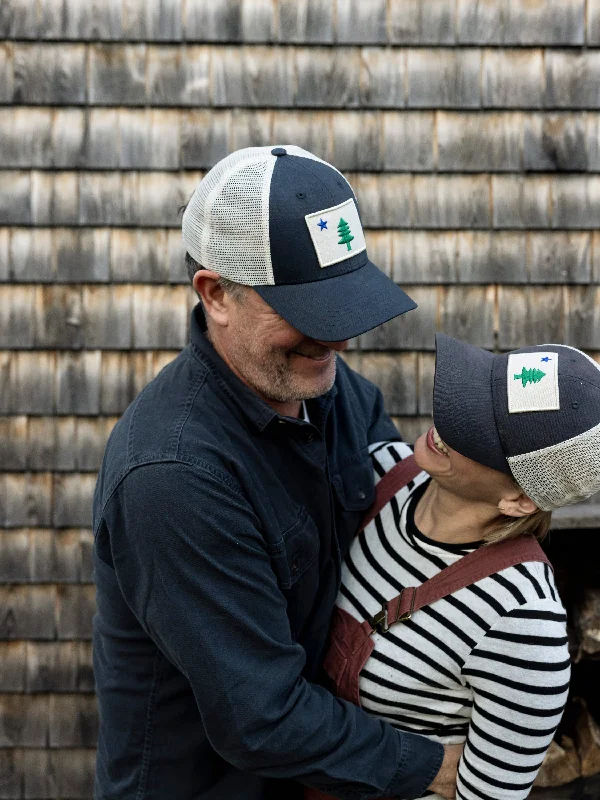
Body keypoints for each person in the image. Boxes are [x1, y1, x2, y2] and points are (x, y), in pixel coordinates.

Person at [92, 146, 461, 799]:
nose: (341, 341)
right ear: (217, 294)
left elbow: (411, 550)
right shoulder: (173, 476)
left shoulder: (337, 395)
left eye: (345, 306)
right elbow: (259, 719)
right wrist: (436, 765)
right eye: (311, 314)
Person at [310, 334, 600, 800]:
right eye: (472, 397)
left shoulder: (524, 623)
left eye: (478, 432)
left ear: (518, 499)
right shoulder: (381, 472)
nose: (445, 422)